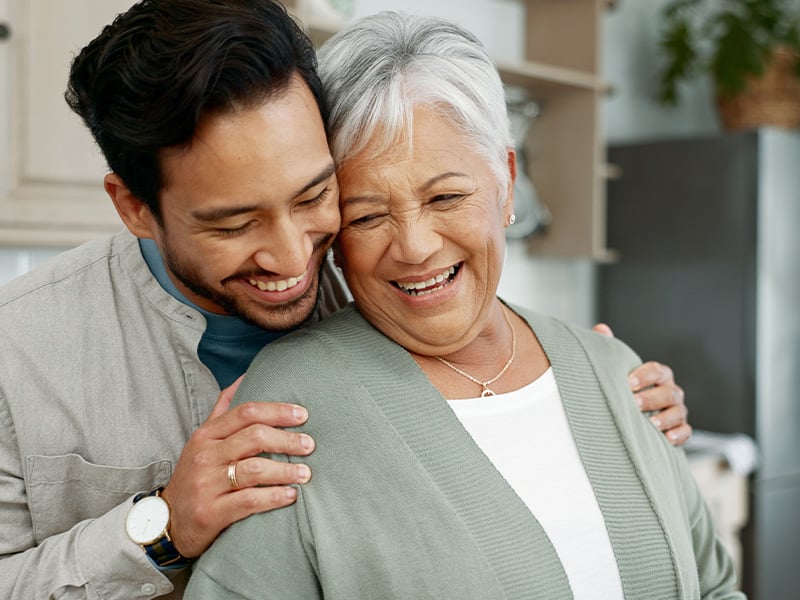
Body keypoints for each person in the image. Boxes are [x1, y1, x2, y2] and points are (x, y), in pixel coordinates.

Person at [0, 1, 687, 598]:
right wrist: (160, 527)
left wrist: (588, 399)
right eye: (234, 224)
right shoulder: (20, 353)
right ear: (135, 208)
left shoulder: (389, 289)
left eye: (315, 197)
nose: (295, 256)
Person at [186, 11, 744, 600]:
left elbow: (715, 587)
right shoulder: (292, 405)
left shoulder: (614, 370)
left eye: (447, 196)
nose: (415, 247)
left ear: (505, 180)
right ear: (333, 237)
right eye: (368, 215)